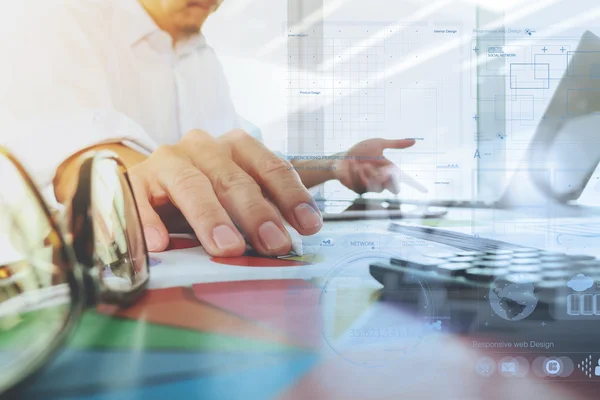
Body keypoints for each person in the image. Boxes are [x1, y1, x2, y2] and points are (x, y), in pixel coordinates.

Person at [0, 0, 420, 258]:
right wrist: (116, 171)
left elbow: (237, 168)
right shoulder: (53, 18)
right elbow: (67, 148)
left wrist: (338, 165)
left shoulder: (200, 56)